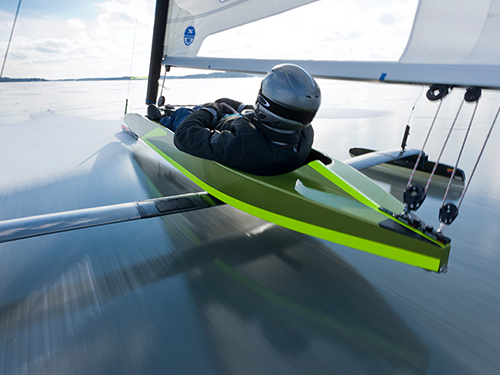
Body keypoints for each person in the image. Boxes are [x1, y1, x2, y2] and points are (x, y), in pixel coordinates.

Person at [148, 64, 321, 176]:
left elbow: (185, 135)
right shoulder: (304, 134)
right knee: (220, 104)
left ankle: (158, 120)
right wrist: (235, 106)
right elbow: (267, 116)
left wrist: (210, 110)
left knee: (183, 114)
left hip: (213, 125)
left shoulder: (241, 145)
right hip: (243, 123)